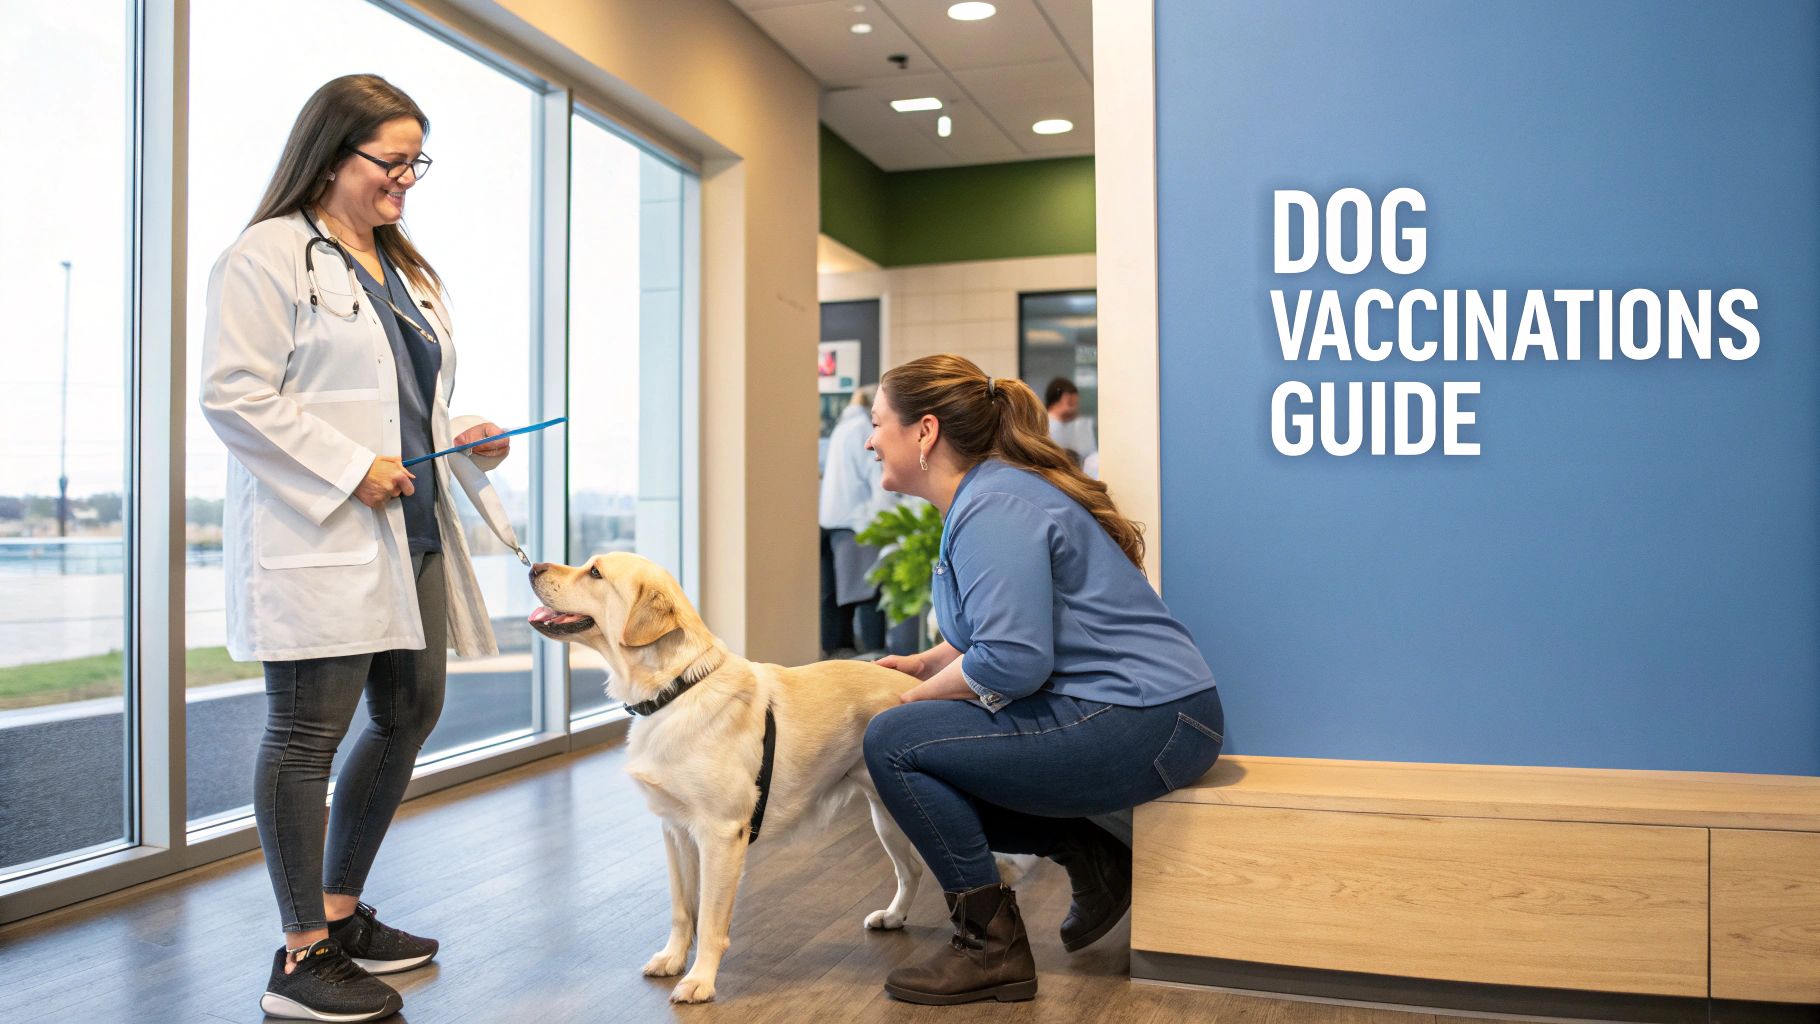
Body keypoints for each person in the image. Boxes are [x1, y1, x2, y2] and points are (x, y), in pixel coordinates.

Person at [200, 74, 511, 1023]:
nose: (407, 179)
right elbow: (234, 394)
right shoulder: (266, 256)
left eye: (417, 161)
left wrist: (464, 437)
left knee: (411, 708)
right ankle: (300, 958)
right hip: (321, 529)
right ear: (334, 155)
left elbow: (407, 399)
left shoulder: (404, 268)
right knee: (305, 737)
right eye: (393, 160)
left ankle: (339, 914)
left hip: (409, 526)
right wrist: (348, 467)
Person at [861, 355, 1223, 1006]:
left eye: (878, 421)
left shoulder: (993, 505)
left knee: (894, 741)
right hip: (1154, 713)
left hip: (1146, 719)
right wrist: (928, 665)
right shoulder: (993, 495)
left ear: (925, 432)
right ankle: (1092, 854)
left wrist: (910, 702)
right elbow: (1004, 626)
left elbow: (1012, 661)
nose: (868, 437)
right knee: (916, 738)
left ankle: (991, 950)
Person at [819, 388, 892, 656]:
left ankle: (838, 651)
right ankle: (876, 656)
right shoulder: (863, 428)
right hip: (856, 522)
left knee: (836, 597)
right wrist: (886, 521)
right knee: (869, 593)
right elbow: (877, 476)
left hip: (831, 520)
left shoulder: (842, 428)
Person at [1044, 377, 1097, 467]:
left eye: (1075, 403)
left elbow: (1091, 458)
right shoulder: (1041, 427)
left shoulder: (1080, 427)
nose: (1075, 408)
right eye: (1071, 403)